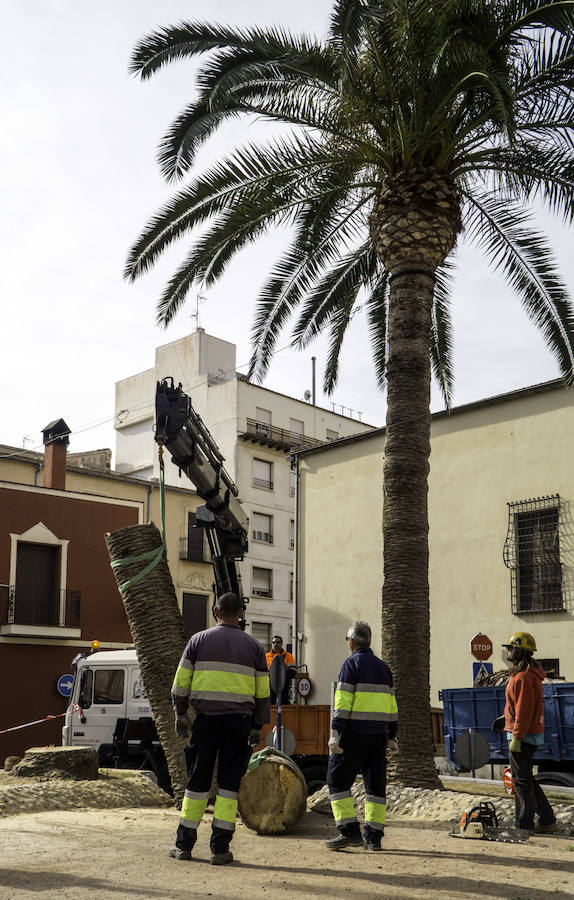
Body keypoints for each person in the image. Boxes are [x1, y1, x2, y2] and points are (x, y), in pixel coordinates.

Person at [169, 591, 271, 865]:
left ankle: (183, 846)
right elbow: (263, 694)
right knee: (228, 786)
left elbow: (180, 683)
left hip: (206, 721)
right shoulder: (254, 647)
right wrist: (257, 725)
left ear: (216, 611)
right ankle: (220, 850)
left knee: (197, 783)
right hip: (239, 724)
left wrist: (181, 713)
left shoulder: (198, 641)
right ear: (240, 614)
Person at [325, 621, 398, 852]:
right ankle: (373, 838)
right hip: (378, 736)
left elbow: (343, 702)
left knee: (336, 781)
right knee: (375, 786)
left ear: (351, 641)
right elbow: (392, 705)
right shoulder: (383, 668)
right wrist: (392, 735)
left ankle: (349, 831)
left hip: (354, 735)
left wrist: (336, 732)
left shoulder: (351, 664)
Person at [492, 631, 557, 834]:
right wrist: (506, 719)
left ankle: (524, 825)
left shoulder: (523, 677)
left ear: (520, 650)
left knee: (520, 782)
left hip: (523, 736)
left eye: (511, 648)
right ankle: (547, 820)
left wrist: (517, 736)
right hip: (523, 732)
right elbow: (520, 707)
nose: (508, 652)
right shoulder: (526, 676)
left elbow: (524, 709)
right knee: (526, 778)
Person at [265, 635, 296, 704]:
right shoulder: (266, 657)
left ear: (281, 644)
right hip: (269, 687)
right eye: (274, 642)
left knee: (284, 705)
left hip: (284, 687)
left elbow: (292, 672)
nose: (275, 644)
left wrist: (282, 677)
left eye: (278, 642)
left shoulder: (288, 656)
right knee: (270, 706)